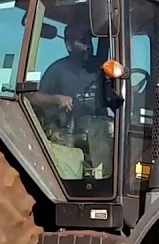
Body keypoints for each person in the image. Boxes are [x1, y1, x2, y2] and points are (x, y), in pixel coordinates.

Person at [30, 22, 114, 177]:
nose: (88, 46)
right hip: (67, 130)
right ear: (69, 45)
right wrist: (57, 99)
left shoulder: (100, 67)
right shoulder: (58, 69)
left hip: (97, 127)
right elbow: (34, 97)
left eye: (89, 41)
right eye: (82, 41)